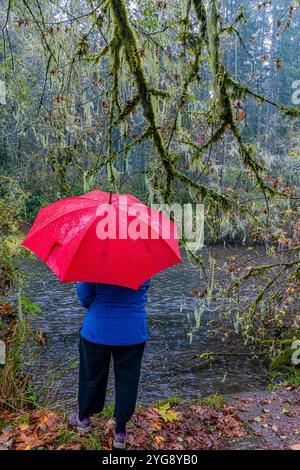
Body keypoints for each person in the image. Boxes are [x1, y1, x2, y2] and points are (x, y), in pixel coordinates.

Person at [68, 279, 150, 450]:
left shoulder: (94, 261)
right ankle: (120, 432)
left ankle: (83, 418)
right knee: (128, 381)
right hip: (132, 331)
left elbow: (84, 297)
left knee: (91, 375)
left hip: (98, 327)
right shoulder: (141, 261)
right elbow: (141, 292)